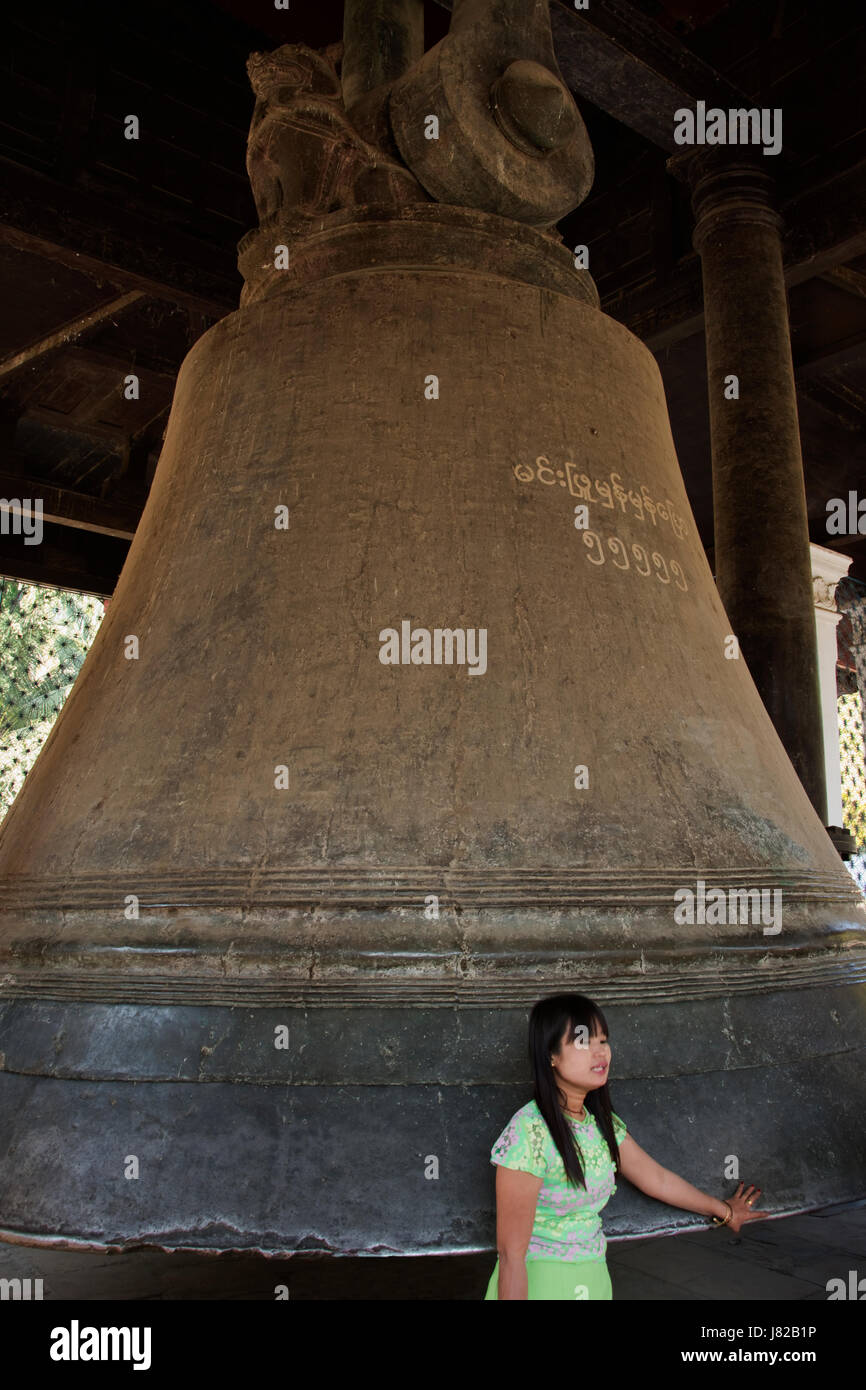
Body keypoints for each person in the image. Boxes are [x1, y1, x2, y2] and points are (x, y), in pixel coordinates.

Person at [485, 992, 769, 1300]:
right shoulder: (529, 1134)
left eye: (603, 1040)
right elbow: (511, 1255)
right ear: (550, 1056)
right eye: (583, 1042)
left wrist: (724, 1211)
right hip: (542, 1283)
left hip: (593, 1278)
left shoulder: (600, 1124)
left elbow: (657, 1179)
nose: (600, 1052)